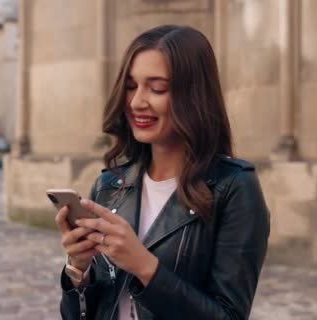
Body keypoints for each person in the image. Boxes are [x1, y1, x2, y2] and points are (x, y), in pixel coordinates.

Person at [56, 25, 270, 320]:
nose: (136, 102)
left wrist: (145, 266)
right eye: (131, 86)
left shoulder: (233, 187)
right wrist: (78, 269)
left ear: (194, 95)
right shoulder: (109, 185)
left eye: (157, 88)